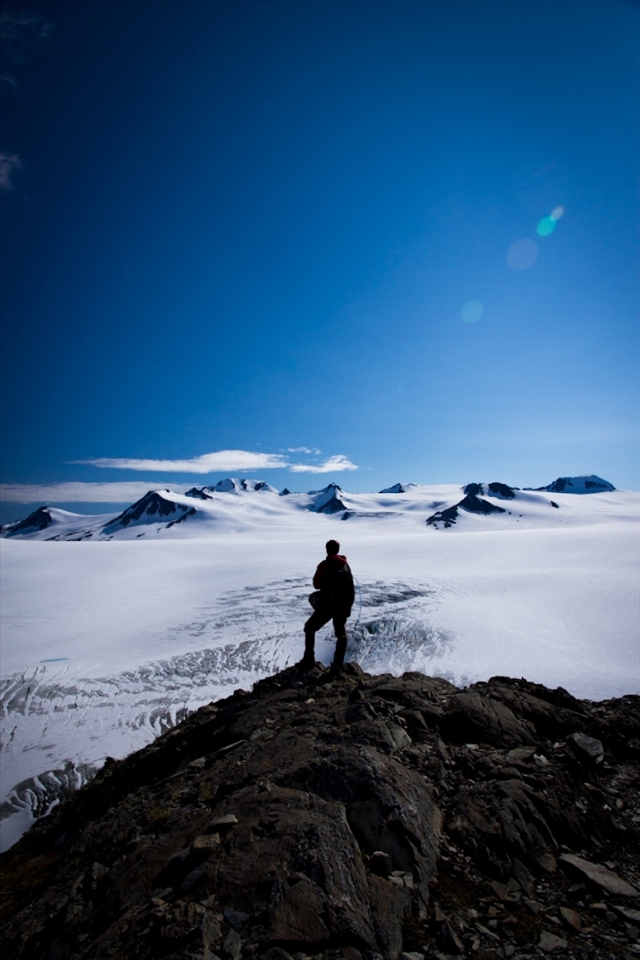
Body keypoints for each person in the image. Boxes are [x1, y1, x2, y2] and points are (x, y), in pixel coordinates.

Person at [301, 539, 355, 672]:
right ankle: (338, 665)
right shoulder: (345, 566)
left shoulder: (325, 565)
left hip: (328, 604)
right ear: (338, 550)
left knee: (309, 628)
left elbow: (316, 584)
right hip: (343, 605)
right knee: (341, 634)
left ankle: (309, 659)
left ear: (327, 549)